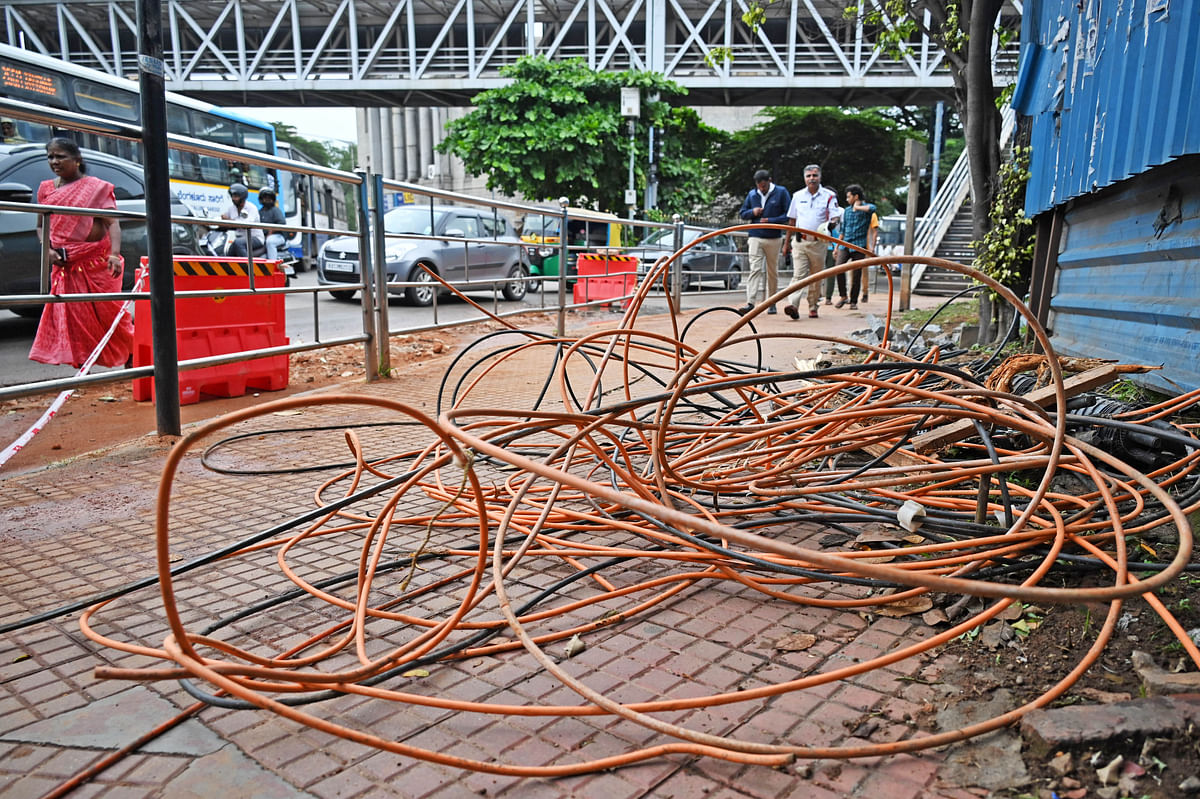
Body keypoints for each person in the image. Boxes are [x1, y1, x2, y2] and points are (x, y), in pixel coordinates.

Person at [28, 138, 132, 368]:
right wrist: (47, 250)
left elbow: (112, 224)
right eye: (50, 157)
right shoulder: (46, 189)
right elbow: (40, 225)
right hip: (64, 265)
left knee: (108, 312)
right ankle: (84, 362)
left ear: (77, 160)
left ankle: (134, 349)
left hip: (95, 264)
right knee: (71, 316)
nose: (54, 161)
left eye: (60, 156)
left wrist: (114, 254)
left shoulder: (96, 188)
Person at [782, 164, 841, 320]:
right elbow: (792, 220)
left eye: (814, 175)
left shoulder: (829, 196)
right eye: (808, 176)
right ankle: (793, 305)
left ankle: (813, 306)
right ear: (804, 178)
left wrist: (831, 224)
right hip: (800, 242)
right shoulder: (797, 196)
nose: (811, 179)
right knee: (798, 275)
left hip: (818, 243)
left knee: (815, 277)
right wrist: (786, 243)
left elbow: (835, 216)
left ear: (820, 177)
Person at [737, 169, 791, 315]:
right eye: (760, 186)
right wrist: (752, 212)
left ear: (769, 181)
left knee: (772, 271)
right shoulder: (752, 194)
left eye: (764, 186)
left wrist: (771, 221)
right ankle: (750, 302)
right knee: (755, 268)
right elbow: (742, 213)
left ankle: (771, 302)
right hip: (755, 235)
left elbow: (788, 214)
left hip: (774, 237)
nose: (762, 189)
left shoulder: (781, 192)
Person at [832, 185, 877, 311]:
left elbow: (872, 208)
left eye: (849, 196)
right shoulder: (846, 211)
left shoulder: (867, 209)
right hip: (846, 244)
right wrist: (837, 246)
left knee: (856, 274)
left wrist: (858, 207)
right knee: (838, 268)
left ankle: (853, 301)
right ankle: (843, 296)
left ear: (856, 196)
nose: (847, 199)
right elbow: (843, 230)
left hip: (859, 246)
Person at [221, 182, 264, 257]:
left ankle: (247, 266)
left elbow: (245, 225)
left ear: (242, 197)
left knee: (238, 243)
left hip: (255, 238)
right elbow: (224, 217)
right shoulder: (232, 208)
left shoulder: (251, 208)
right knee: (228, 251)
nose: (233, 199)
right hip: (239, 238)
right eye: (232, 196)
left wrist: (228, 220)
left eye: (236, 196)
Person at [257, 187, 287, 261]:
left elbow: (282, 223)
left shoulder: (275, 210)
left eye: (269, 197)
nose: (267, 199)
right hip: (263, 236)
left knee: (270, 241)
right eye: (265, 197)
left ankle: (272, 263)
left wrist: (270, 232)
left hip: (278, 236)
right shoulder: (260, 212)